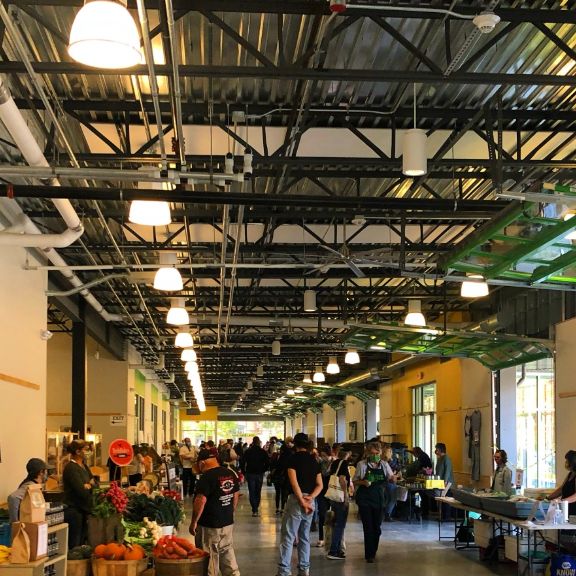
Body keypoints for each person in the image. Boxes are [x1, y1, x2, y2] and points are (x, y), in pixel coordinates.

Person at [188, 449, 241, 576]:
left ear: (202, 463)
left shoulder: (206, 478)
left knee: (210, 558)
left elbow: (201, 500)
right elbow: (236, 493)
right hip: (227, 522)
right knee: (227, 551)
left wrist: (194, 522)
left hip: (209, 525)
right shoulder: (230, 473)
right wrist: (230, 511)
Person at [277, 433, 322, 576]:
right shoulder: (314, 461)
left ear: (295, 444)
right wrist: (310, 498)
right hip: (310, 500)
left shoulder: (292, 459)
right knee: (304, 536)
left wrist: (302, 501)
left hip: (296, 501)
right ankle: (304, 569)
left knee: (288, 536)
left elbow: (294, 482)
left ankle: (284, 570)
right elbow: (320, 485)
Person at [353, 441, 389, 563]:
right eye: (372, 453)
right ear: (368, 453)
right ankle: (369, 555)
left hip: (379, 499)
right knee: (368, 527)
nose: (375, 455)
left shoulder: (384, 465)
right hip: (365, 499)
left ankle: (373, 550)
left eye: (377, 453)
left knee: (377, 528)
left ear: (381, 453)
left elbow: (390, 478)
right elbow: (354, 481)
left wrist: (394, 478)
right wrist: (363, 482)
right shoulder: (361, 465)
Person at [62, 440, 94, 548]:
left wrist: (89, 485)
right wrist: (87, 485)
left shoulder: (84, 466)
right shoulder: (71, 468)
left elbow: (95, 483)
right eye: (86, 449)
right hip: (74, 510)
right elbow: (81, 490)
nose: (89, 452)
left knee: (81, 541)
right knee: (74, 543)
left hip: (84, 509)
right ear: (78, 451)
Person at [327, 449, 351, 560]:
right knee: (340, 524)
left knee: (336, 523)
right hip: (340, 497)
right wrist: (346, 495)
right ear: (347, 454)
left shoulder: (335, 462)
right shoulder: (344, 463)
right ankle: (334, 551)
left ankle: (337, 549)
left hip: (333, 496)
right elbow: (342, 479)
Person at [8, 458, 48, 523]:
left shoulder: (34, 485)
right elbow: (13, 497)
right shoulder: (30, 486)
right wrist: (15, 523)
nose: (47, 474)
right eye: (46, 471)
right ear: (41, 472)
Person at [242, 436, 270, 517]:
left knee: (251, 491)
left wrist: (244, 472)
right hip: (259, 474)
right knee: (258, 491)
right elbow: (268, 463)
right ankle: (256, 508)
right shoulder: (262, 452)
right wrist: (263, 470)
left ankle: (254, 509)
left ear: (253, 442)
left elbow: (242, 462)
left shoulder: (248, 451)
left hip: (250, 473)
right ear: (258, 442)